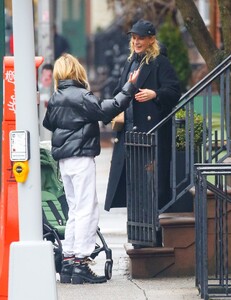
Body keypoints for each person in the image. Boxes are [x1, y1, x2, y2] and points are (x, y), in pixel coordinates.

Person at [43, 53, 139, 284]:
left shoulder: (57, 97)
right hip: (81, 158)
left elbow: (49, 123)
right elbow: (109, 109)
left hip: (64, 161)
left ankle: (68, 260)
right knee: (87, 209)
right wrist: (129, 86)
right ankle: (81, 262)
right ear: (76, 70)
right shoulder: (81, 95)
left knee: (75, 210)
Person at [104, 19, 181, 246]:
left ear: (151, 40)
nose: (136, 41)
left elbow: (174, 91)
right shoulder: (130, 62)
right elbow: (120, 90)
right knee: (134, 186)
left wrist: (154, 94)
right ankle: (139, 236)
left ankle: (152, 238)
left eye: (141, 38)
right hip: (130, 133)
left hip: (151, 135)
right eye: (134, 38)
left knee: (150, 185)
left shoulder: (159, 62)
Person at [38, 63, 54, 141]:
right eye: (44, 75)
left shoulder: (56, 91)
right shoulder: (35, 88)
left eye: (49, 76)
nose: (46, 78)